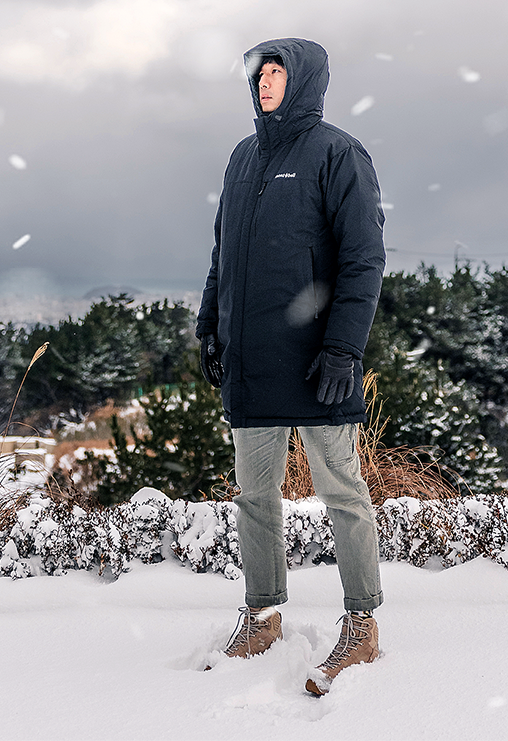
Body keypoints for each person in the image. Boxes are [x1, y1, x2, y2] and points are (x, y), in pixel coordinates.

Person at [196, 37, 387, 696]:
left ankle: (362, 622)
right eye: (258, 72)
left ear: (303, 80)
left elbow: (363, 258)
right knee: (255, 495)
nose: (265, 81)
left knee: (342, 491)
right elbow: (223, 254)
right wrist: (209, 324)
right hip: (252, 360)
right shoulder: (243, 157)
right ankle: (263, 612)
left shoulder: (338, 152)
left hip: (316, 362)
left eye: (277, 71)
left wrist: (343, 347)